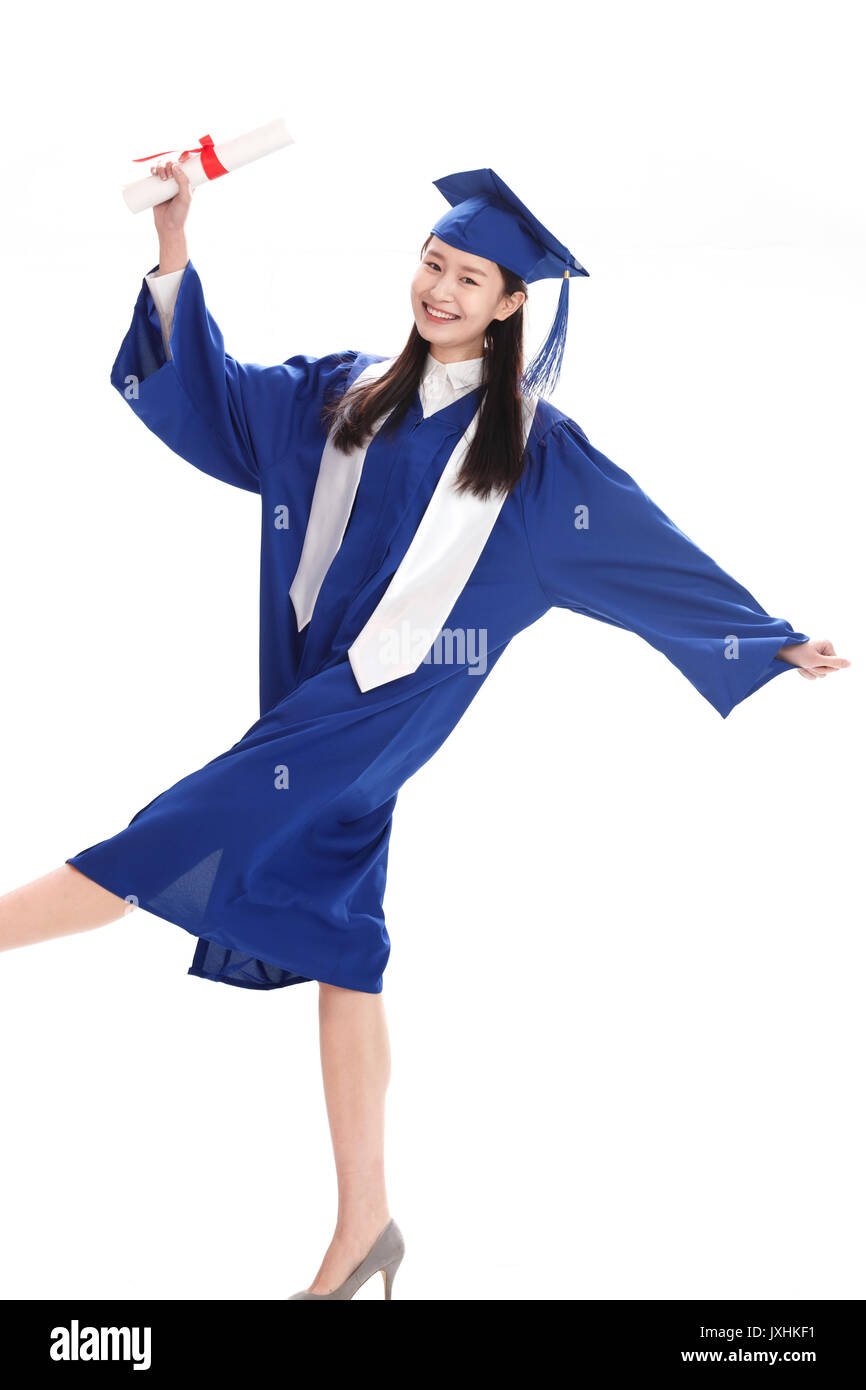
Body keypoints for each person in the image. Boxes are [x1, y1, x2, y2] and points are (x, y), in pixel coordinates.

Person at [0, 159, 849, 1300]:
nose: (440, 290)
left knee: (162, 845)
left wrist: (762, 638)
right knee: (341, 946)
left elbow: (646, 549)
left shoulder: (537, 460)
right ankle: (367, 1231)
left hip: (372, 721)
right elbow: (214, 397)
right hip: (307, 703)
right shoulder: (339, 397)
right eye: (433, 263)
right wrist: (172, 252)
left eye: (469, 278)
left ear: (510, 304)